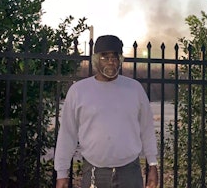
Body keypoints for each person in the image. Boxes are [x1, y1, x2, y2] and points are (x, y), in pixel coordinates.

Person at [54, 35, 158, 188]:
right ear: (95, 60)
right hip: (94, 172)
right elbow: (67, 134)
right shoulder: (79, 91)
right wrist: (62, 173)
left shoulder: (134, 89)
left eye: (115, 57)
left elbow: (147, 129)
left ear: (120, 60)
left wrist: (153, 164)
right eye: (105, 57)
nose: (111, 61)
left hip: (130, 172)